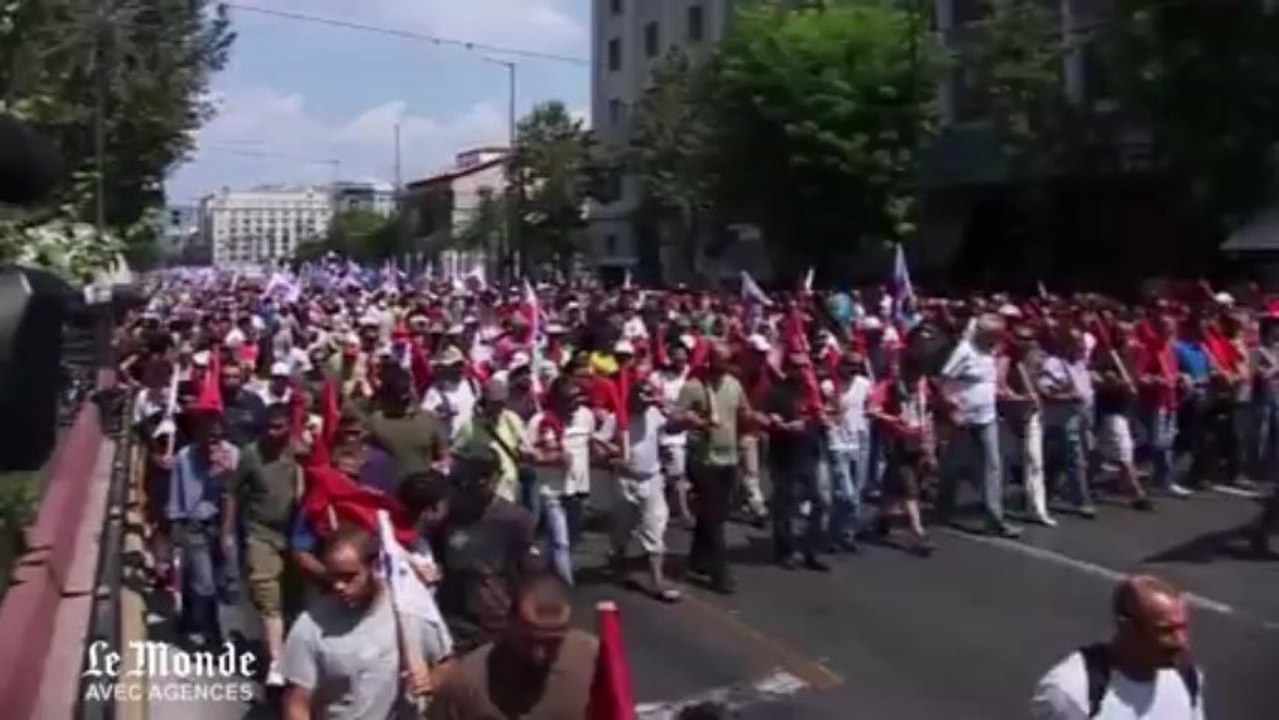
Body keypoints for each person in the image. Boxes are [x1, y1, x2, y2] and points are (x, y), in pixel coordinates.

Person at [280, 524, 453, 720]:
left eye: (349, 577)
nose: (339, 586)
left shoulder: (410, 611)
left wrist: (431, 680)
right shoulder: (310, 626)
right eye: (333, 576)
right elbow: (297, 703)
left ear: (374, 567)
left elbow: (447, 665)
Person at [1030, 575, 1205, 720]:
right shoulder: (1071, 692)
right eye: (1166, 631)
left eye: (1183, 628)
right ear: (1127, 628)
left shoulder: (1187, 678)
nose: (1182, 642)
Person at [427, 573, 598, 720]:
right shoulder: (467, 684)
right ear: (510, 623)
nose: (540, 655)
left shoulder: (594, 662)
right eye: (529, 641)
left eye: (552, 643)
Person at [224, 403, 301, 687]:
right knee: (267, 595)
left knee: (292, 598)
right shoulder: (250, 455)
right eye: (269, 427)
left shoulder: (298, 452)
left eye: (279, 427)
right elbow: (233, 492)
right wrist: (227, 533)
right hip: (260, 534)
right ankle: (277, 664)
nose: (273, 433)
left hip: (293, 535)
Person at [436, 452, 542, 655]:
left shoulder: (514, 519)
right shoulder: (448, 516)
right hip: (453, 615)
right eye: (463, 483)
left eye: (481, 481)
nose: (471, 489)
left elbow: (529, 571)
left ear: (494, 479)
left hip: (496, 614)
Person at [675, 342, 757, 594]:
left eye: (728, 363)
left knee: (712, 516)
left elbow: (745, 412)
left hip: (729, 459)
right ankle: (720, 575)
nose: (724, 368)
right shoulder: (694, 387)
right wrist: (694, 421)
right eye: (719, 363)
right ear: (710, 361)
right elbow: (676, 419)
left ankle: (697, 561)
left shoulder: (733, 385)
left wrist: (761, 419)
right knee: (716, 521)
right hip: (703, 460)